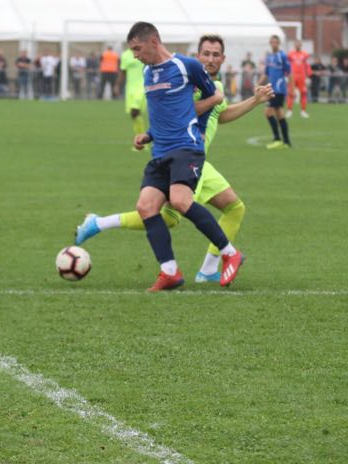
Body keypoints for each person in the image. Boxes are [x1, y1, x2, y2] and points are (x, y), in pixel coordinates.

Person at [75, 35, 272, 283]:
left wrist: (254, 101)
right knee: (168, 215)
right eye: (206, 54)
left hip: (198, 160)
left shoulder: (216, 86)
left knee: (234, 208)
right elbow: (179, 112)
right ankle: (99, 223)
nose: (210, 59)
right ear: (197, 56)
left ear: (223, 59)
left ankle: (207, 270)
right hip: (185, 154)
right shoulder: (190, 81)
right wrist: (152, 133)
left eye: (215, 55)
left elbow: (220, 114)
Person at [103, 22, 240, 291]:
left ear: (154, 42)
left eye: (137, 49)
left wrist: (200, 126)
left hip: (186, 147)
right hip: (160, 151)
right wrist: (148, 134)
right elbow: (163, 112)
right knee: (146, 207)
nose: (135, 55)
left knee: (180, 201)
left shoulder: (186, 66)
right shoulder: (147, 72)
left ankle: (229, 253)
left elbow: (213, 99)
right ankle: (169, 272)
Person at [259, 35, 292, 149]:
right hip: (272, 89)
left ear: (279, 43)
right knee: (279, 114)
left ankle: (277, 139)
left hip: (279, 89)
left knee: (268, 112)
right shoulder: (269, 57)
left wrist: (292, 89)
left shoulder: (282, 56)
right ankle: (286, 142)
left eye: (276, 42)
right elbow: (266, 73)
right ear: (270, 43)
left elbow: (289, 73)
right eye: (272, 42)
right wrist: (258, 84)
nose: (274, 44)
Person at [118, 45, 147, 143]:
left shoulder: (144, 51)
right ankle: (140, 138)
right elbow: (123, 71)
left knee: (135, 110)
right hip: (130, 88)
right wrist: (117, 85)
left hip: (142, 85)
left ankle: (142, 138)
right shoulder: (125, 55)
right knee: (133, 114)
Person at [286, 41, 311, 118]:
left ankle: (303, 111)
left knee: (303, 93)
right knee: (291, 93)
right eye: (296, 44)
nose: (297, 46)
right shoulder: (290, 54)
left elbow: (307, 65)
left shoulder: (305, 55)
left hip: (302, 77)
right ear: (294, 45)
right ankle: (289, 111)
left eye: (299, 44)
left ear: (301, 45)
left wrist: (308, 76)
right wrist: (286, 75)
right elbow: (287, 65)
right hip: (292, 77)